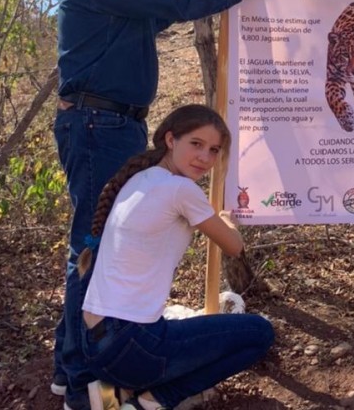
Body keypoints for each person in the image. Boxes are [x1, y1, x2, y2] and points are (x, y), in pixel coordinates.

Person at [51, 0, 283, 410]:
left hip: (112, 122)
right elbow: (172, 9)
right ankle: (83, 379)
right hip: (96, 124)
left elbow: (153, 20)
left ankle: (76, 370)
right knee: (88, 245)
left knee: (92, 241)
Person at [76, 104, 274, 410]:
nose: (205, 158)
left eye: (214, 150)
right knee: (259, 333)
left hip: (93, 346)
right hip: (132, 346)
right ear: (171, 140)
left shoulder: (138, 179)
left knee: (172, 334)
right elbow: (234, 247)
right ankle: (152, 401)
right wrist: (227, 219)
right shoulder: (180, 189)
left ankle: (112, 396)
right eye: (196, 144)